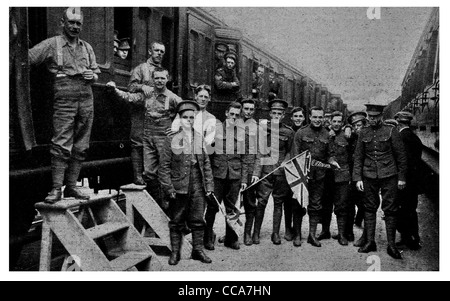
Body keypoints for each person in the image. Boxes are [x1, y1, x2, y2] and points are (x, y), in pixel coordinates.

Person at [29, 7, 100, 203]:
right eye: (71, 23)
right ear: (63, 23)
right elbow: (27, 58)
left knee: (81, 145)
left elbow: (95, 73)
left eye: (79, 23)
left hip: (86, 97)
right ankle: (55, 189)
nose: (75, 27)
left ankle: (71, 187)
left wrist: (91, 76)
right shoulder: (53, 44)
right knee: (61, 142)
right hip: (64, 96)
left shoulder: (87, 47)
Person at [108, 68, 181, 209]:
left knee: (165, 170)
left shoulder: (172, 97)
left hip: (163, 138)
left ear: (167, 79)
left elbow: (186, 108)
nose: (160, 81)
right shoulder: (147, 95)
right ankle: (157, 202)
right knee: (149, 172)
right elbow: (130, 97)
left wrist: (175, 127)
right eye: (157, 78)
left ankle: (168, 202)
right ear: (153, 80)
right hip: (148, 138)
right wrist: (115, 90)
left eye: (162, 78)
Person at [159, 100, 214, 265]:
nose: (189, 120)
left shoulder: (199, 138)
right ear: (180, 118)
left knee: (198, 219)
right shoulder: (172, 139)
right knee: (176, 220)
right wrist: (169, 188)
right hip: (179, 185)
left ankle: (198, 250)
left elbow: (206, 165)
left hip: (198, 183)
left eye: (192, 117)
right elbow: (164, 167)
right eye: (185, 117)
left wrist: (209, 187)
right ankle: (175, 252)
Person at [353, 104, 407, 259]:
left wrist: (402, 178)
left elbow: (401, 157)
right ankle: (370, 242)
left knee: (390, 209)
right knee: (369, 208)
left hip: (389, 176)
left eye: (375, 117)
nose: (372, 119)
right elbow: (358, 157)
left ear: (381, 116)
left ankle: (391, 245)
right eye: (370, 117)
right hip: (369, 176)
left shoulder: (391, 131)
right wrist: (357, 178)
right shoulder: (363, 132)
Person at [293, 106, 339, 247]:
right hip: (303, 175)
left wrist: (332, 161)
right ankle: (297, 235)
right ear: (310, 117)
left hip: (320, 175)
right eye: (315, 117)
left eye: (320, 117)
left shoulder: (327, 134)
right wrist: (300, 173)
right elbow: (295, 155)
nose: (317, 120)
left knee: (316, 205)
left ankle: (312, 235)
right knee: (299, 204)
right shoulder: (301, 133)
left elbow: (330, 154)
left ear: (324, 118)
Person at [204, 102, 248, 251]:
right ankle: (208, 237)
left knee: (231, 209)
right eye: (232, 114)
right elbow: (207, 155)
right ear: (226, 113)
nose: (234, 117)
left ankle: (231, 238)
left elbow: (244, 158)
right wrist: (207, 177)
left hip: (234, 175)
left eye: (237, 115)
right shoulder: (214, 130)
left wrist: (243, 180)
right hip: (217, 174)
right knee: (212, 207)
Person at [251, 99, 294, 245]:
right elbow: (259, 152)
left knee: (278, 203)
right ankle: (256, 232)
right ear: (270, 114)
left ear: (283, 116)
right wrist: (257, 173)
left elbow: (290, 151)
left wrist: (286, 161)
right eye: (274, 113)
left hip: (281, 173)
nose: (276, 115)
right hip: (266, 171)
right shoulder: (262, 129)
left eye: (279, 113)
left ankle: (275, 233)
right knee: (261, 202)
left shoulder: (288, 132)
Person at [127, 41, 166, 186]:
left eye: (162, 52)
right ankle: (138, 176)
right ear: (150, 51)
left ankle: (151, 177)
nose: (159, 54)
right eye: (156, 50)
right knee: (137, 143)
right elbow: (130, 87)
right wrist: (143, 86)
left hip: (156, 114)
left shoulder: (163, 71)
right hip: (140, 112)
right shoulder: (141, 68)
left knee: (155, 144)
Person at [394, 111, 423, 250]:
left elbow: (403, 162)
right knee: (410, 209)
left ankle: (411, 239)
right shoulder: (414, 137)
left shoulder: (401, 137)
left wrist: (401, 179)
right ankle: (410, 238)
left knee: (405, 210)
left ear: (398, 123)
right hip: (412, 181)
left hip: (404, 181)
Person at [328, 111, 352, 246]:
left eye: (339, 122)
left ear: (342, 123)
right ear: (330, 122)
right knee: (325, 205)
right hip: (326, 175)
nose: (336, 124)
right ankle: (325, 231)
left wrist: (349, 127)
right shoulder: (325, 133)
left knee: (341, 205)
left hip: (342, 176)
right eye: (334, 121)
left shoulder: (347, 136)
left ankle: (342, 234)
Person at [345, 111, 368, 247]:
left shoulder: (369, 137)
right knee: (349, 205)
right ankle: (349, 233)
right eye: (355, 126)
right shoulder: (352, 138)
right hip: (353, 177)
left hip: (366, 178)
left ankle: (366, 236)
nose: (357, 128)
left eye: (360, 125)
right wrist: (346, 127)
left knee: (365, 207)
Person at [171, 85, 216, 149]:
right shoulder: (184, 114)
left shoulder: (211, 118)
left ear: (209, 99)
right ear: (195, 96)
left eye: (206, 97)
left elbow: (209, 140)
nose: (203, 99)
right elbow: (174, 130)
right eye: (201, 96)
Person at [240, 99, 258, 246]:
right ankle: (230, 233)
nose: (249, 111)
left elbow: (260, 153)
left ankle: (247, 233)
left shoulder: (257, 128)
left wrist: (256, 172)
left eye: (251, 109)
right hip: (235, 168)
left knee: (249, 203)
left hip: (250, 169)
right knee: (231, 203)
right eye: (246, 108)